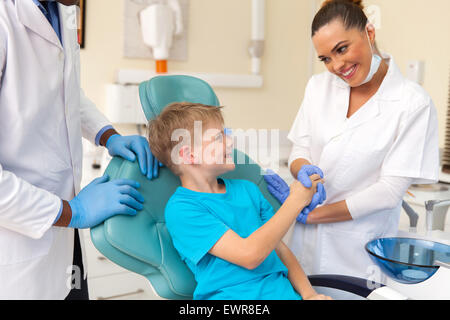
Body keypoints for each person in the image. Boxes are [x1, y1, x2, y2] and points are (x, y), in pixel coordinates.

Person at [264, 0, 439, 294]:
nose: (336, 66)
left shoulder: (412, 103)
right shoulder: (318, 87)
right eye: (325, 59)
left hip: (358, 253)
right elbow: (299, 148)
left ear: (369, 32)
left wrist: (310, 213)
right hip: (302, 248)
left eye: (342, 49)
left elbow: (389, 191)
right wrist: (304, 169)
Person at [0, 0, 160, 299]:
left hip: (66, 252)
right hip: (17, 255)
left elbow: (67, 90)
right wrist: (72, 211)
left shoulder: (63, 10)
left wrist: (107, 135)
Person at [147, 102, 332, 300]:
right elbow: (250, 256)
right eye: (219, 137)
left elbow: (279, 248)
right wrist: (295, 201)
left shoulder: (248, 190)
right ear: (189, 155)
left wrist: (309, 294)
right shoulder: (182, 209)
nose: (230, 141)